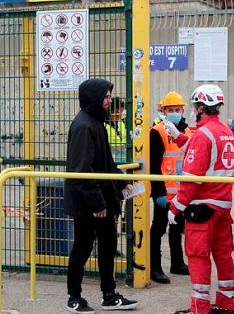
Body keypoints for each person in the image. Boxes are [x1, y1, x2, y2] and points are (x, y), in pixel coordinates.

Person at [64, 79, 138, 313]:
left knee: (108, 245)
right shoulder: (83, 126)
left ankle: (109, 295)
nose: (109, 101)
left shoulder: (96, 122)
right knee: (83, 247)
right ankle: (74, 297)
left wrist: (122, 181)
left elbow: (105, 163)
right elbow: (82, 170)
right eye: (106, 97)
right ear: (94, 98)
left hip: (101, 199)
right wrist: (97, 203)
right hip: (88, 202)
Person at [170, 84, 234, 314]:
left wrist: (175, 208)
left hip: (202, 207)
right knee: (223, 255)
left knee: (198, 256)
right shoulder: (224, 130)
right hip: (223, 205)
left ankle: (200, 308)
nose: (192, 110)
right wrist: (179, 137)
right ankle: (227, 304)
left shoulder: (203, 134)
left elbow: (191, 180)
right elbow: (206, 153)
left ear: (200, 107)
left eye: (194, 107)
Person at [150, 91, 191, 284]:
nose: (174, 112)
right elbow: (153, 165)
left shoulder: (187, 132)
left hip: (181, 192)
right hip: (164, 193)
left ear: (182, 110)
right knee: (158, 228)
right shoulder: (157, 132)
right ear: (163, 111)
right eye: (170, 109)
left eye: (177, 109)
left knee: (177, 227)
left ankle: (177, 263)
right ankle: (155, 267)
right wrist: (158, 192)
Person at [105, 97, 127, 162]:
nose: (122, 114)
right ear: (116, 110)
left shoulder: (121, 123)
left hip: (123, 159)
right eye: (121, 111)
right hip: (109, 160)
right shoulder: (103, 125)